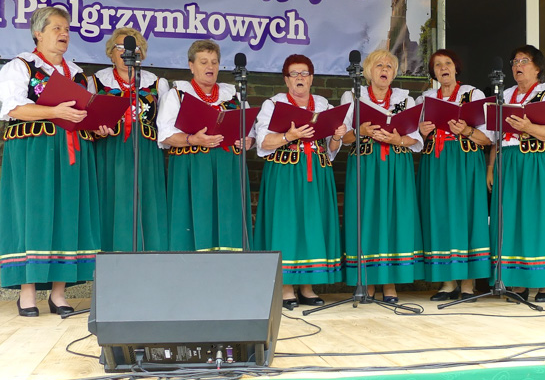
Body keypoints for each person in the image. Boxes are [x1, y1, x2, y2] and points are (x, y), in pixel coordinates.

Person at [0, 7, 107, 317]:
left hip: (72, 149)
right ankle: (27, 293)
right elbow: (13, 109)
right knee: (34, 212)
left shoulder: (77, 73)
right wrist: (55, 111)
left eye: (67, 29)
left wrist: (98, 125)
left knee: (67, 213)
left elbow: (83, 113)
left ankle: (58, 293)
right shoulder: (21, 66)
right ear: (38, 33)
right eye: (57, 28)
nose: (64, 34)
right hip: (34, 150)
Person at [253, 54, 347, 309]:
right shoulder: (273, 104)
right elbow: (263, 142)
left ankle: (308, 286)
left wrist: (337, 135)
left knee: (312, 226)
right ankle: (285, 289)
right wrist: (289, 135)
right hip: (285, 171)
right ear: (286, 79)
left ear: (312, 78)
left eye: (304, 73)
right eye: (294, 74)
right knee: (287, 226)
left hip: (317, 171)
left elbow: (330, 149)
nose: (300, 78)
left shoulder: (324, 104)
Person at [486, 45, 545, 303]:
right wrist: (491, 167)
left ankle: (544, 282)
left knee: (539, 220)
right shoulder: (504, 96)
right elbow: (495, 139)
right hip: (509, 162)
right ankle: (518, 281)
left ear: (537, 67)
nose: (517, 66)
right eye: (514, 61)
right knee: (510, 220)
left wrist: (528, 126)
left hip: (537, 162)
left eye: (524, 61)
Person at [340, 49, 424, 303]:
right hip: (365, 164)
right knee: (367, 219)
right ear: (368, 71)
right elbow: (342, 138)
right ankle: (368, 281)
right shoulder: (353, 95)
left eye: (389, 66)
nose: (385, 69)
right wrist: (361, 130)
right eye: (379, 65)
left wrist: (398, 138)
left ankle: (390, 283)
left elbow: (417, 138)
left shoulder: (405, 100)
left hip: (396, 167)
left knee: (393, 219)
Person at [156, 39, 254, 251]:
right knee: (193, 223)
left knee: (228, 227)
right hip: (192, 168)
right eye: (203, 62)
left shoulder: (234, 94)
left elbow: (251, 132)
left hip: (228, 169)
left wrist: (248, 140)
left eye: (214, 62)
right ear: (191, 66)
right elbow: (165, 135)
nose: (210, 67)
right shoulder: (177, 94)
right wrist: (192, 139)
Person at [416, 49, 492, 301]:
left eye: (447, 63)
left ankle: (468, 283)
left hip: (465, 161)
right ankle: (447, 282)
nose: (443, 68)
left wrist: (467, 130)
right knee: (439, 217)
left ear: (456, 68)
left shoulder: (473, 94)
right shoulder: (424, 99)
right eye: (437, 65)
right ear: (433, 72)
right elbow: (413, 140)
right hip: (435, 164)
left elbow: (488, 138)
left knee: (467, 216)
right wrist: (423, 131)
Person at [90, 27, 169, 251]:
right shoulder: (96, 82)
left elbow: (165, 125)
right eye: (120, 47)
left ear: (141, 52)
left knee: (147, 201)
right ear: (111, 52)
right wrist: (97, 129)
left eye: (132, 48)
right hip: (111, 150)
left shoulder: (156, 83)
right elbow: (87, 121)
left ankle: (149, 255)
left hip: (146, 152)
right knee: (112, 200)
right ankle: (110, 254)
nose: (126, 53)